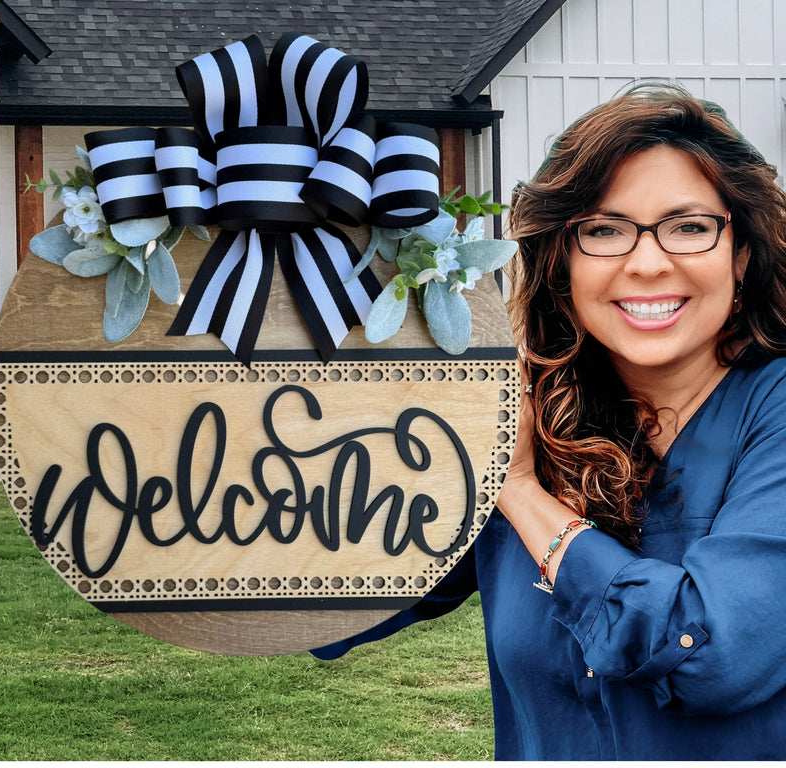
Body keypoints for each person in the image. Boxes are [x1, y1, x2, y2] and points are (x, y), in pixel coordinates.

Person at [313, 83, 786, 760]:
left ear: (739, 255)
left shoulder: (772, 414)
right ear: (562, 262)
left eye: (688, 226)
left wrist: (521, 493)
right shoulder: (535, 413)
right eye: (603, 230)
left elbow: (710, 656)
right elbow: (334, 599)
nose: (648, 262)